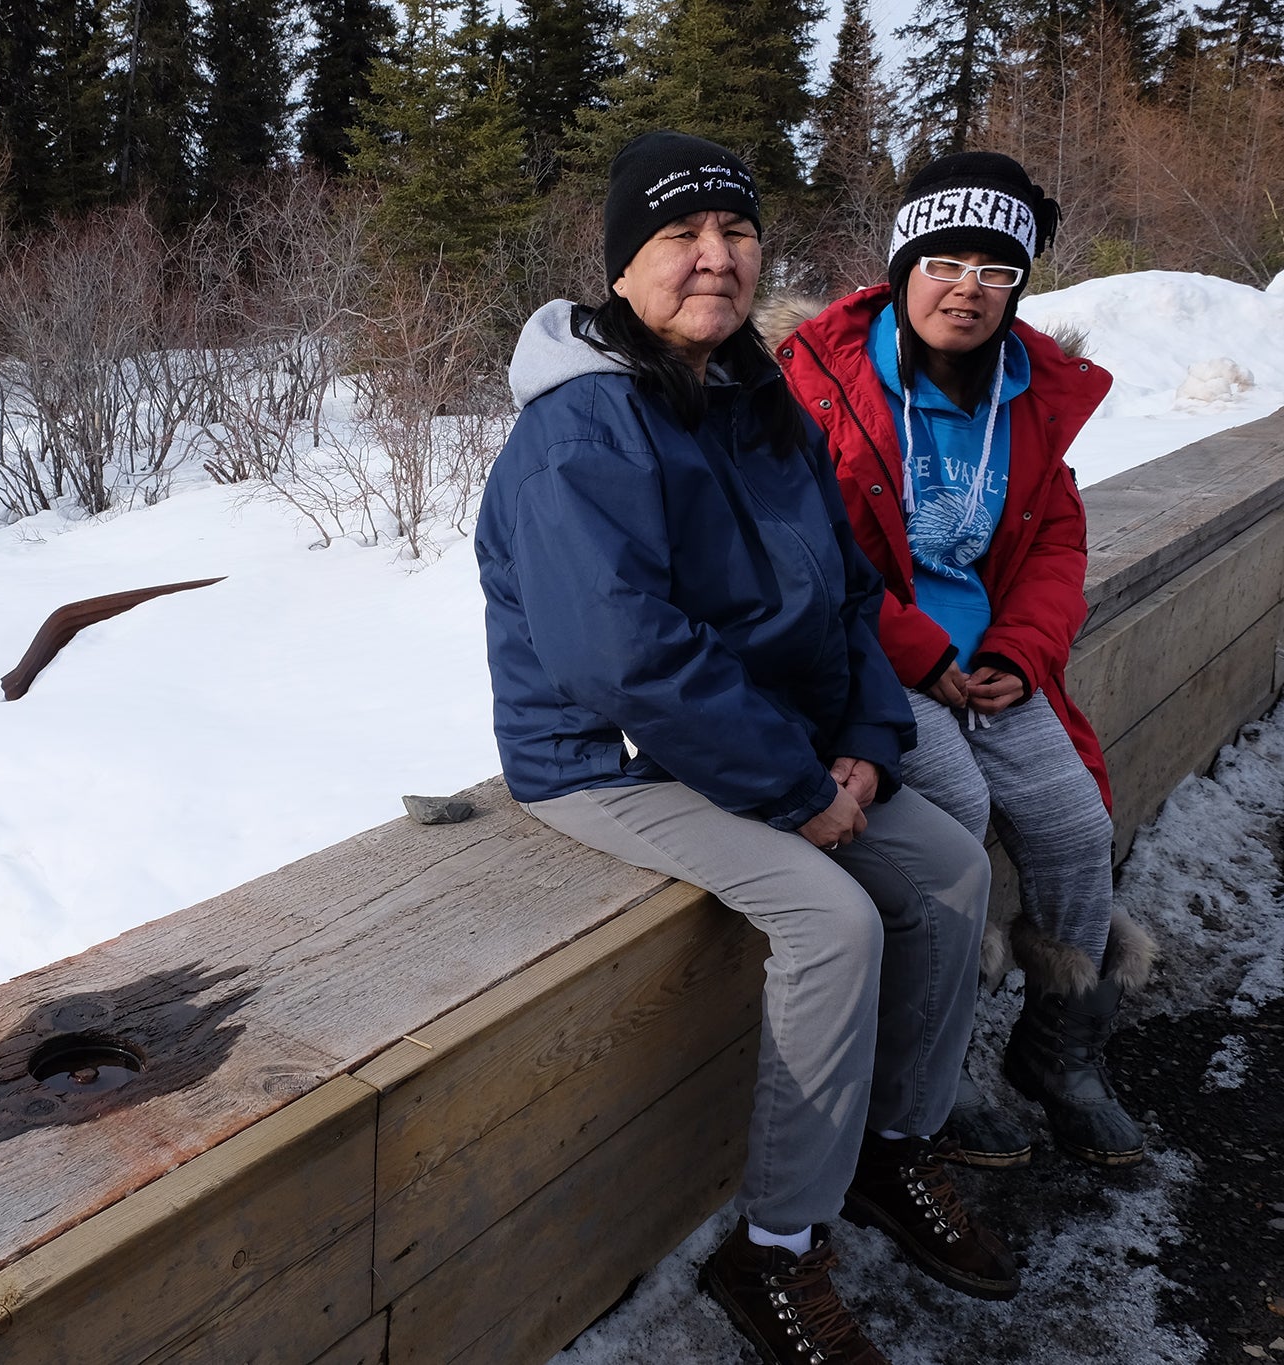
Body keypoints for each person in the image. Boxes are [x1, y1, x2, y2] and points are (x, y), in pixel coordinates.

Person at [476, 131, 1013, 1365]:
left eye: (734, 232)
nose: (713, 258)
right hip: (607, 760)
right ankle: (771, 1251)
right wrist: (789, 788)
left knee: (946, 869)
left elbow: (841, 590)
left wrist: (869, 745)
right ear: (622, 267)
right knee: (832, 921)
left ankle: (886, 1149)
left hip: (760, 738)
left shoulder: (749, 397)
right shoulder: (581, 433)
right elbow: (622, 660)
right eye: (679, 236)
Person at [778, 153, 1156, 1170]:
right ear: (901, 266)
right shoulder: (824, 385)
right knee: (953, 827)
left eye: (995, 270)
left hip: (987, 660)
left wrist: (1018, 650)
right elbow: (804, 540)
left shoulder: (1027, 394)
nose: (967, 288)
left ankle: (1057, 1054)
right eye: (943, 261)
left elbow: (1055, 545)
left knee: (1075, 823)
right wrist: (913, 645)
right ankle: (928, 1083)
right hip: (870, 657)